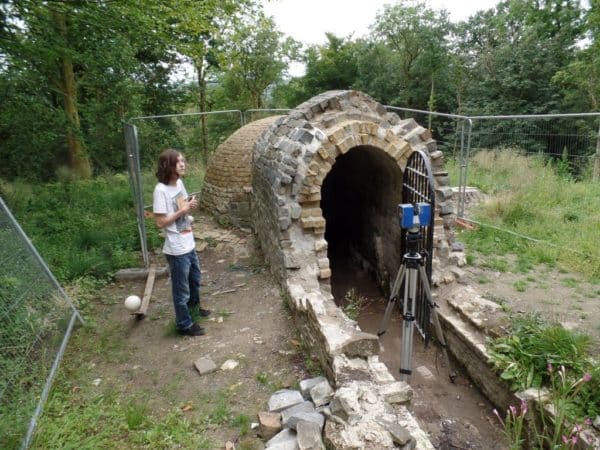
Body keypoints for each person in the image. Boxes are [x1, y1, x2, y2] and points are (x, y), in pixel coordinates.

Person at [152, 149, 210, 336]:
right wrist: (182, 210)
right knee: (181, 290)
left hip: (188, 242)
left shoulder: (179, 184)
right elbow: (160, 222)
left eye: (183, 161)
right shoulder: (160, 191)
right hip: (176, 250)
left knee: (195, 280)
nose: (183, 164)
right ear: (168, 166)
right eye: (178, 162)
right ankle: (184, 324)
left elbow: (182, 207)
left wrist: (188, 206)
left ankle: (193, 311)